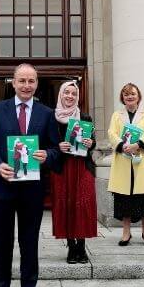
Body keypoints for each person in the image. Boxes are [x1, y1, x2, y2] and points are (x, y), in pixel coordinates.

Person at [0, 63, 60, 287]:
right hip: (3, 189)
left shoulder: (46, 113)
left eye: (31, 81)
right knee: (2, 248)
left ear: (37, 84)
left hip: (31, 192)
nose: (27, 85)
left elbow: (55, 150)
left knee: (29, 248)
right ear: (13, 83)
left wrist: (47, 155)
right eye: (22, 81)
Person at [108, 83, 144, 247]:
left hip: (142, 162)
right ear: (122, 98)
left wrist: (138, 145)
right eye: (126, 95)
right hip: (124, 162)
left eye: (133, 94)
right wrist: (121, 144)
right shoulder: (117, 115)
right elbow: (112, 133)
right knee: (124, 200)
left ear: (138, 96)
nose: (129, 97)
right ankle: (126, 233)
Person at [50, 81, 97, 264]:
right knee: (66, 205)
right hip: (63, 168)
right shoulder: (51, 118)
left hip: (82, 167)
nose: (70, 96)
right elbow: (46, 143)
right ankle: (71, 246)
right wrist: (57, 146)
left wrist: (90, 144)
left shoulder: (85, 117)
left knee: (83, 205)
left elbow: (93, 141)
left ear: (77, 97)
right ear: (61, 95)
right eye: (66, 93)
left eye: (73, 94)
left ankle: (82, 247)